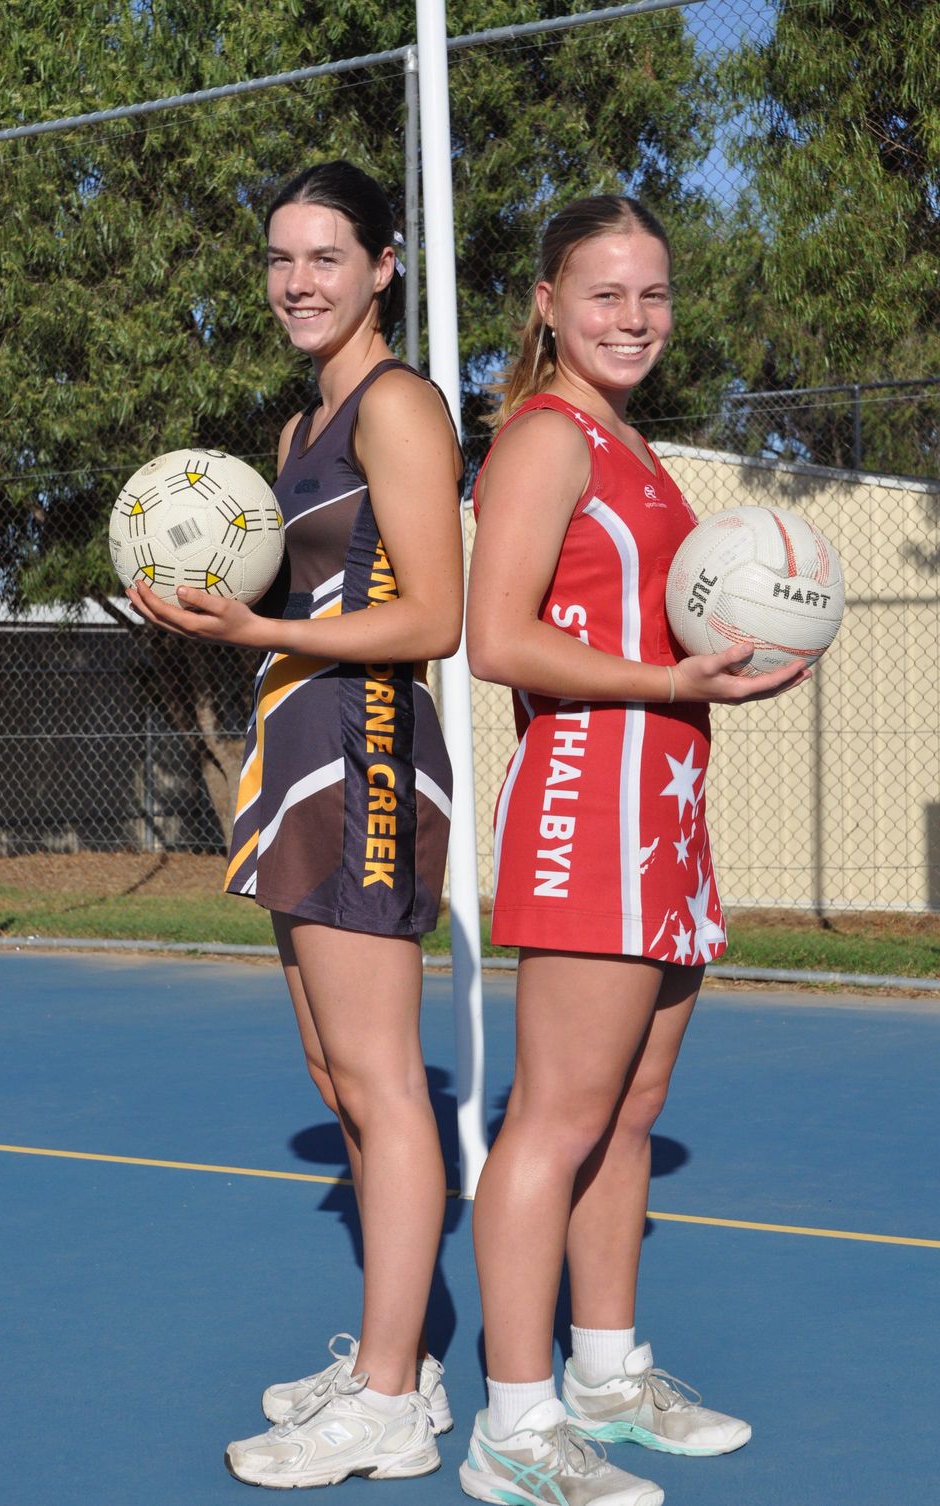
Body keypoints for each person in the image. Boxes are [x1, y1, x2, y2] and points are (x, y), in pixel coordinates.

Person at [459, 195, 811, 1506]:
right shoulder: (547, 440)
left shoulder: (634, 446)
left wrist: (717, 672)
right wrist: (673, 684)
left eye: (652, 294)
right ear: (547, 300)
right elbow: (496, 641)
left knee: (632, 1114)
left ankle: (605, 1375)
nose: (633, 318)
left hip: (664, 796)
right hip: (590, 796)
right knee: (553, 1121)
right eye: (604, 293)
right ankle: (513, 1424)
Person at [127, 159, 464, 1490]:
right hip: (299, 745)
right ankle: (396, 1355)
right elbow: (285, 591)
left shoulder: (400, 407)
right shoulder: (295, 427)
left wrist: (263, 627)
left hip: (367, 749)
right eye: (281, 258)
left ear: (384, 266)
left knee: (384, 1080)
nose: (299, 281)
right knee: (337, 1077)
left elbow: (433, 618)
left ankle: (388, 1397)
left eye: (328, 256)